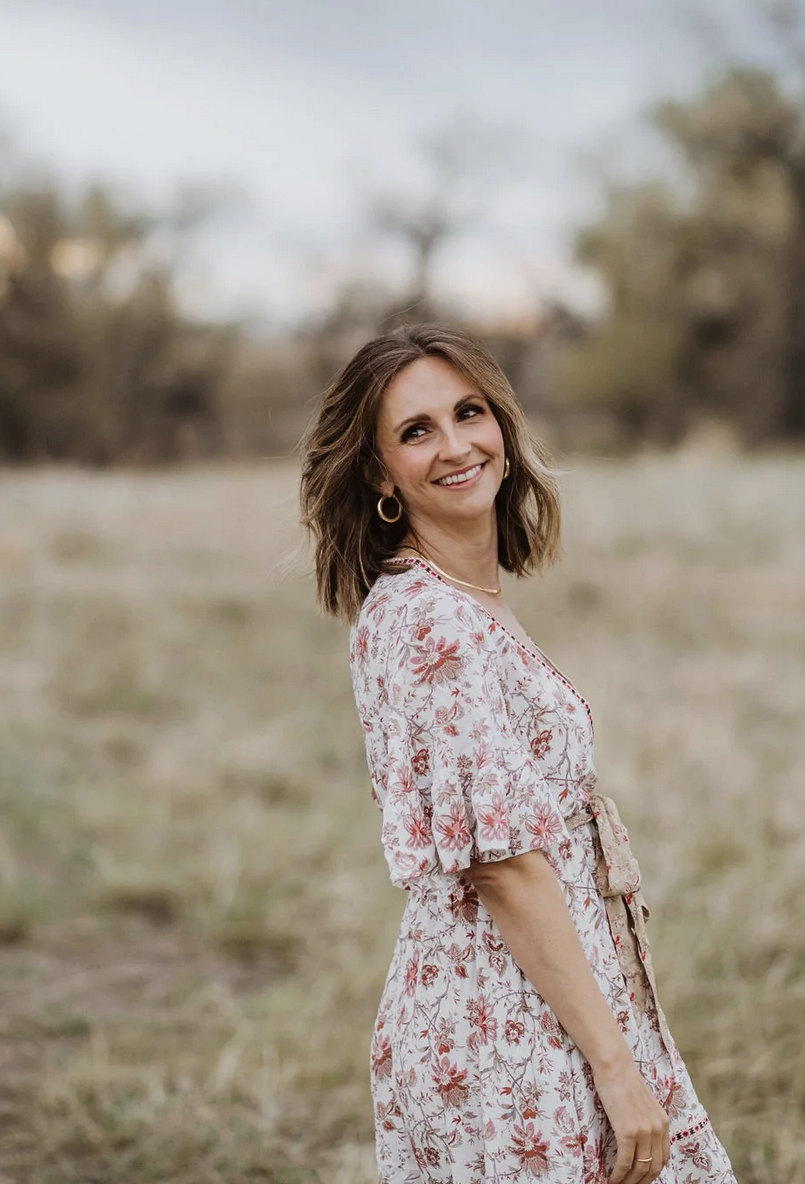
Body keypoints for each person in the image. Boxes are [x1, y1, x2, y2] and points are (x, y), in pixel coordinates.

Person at [299, 324, 736, 1184]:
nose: (457, 444)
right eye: (416, 431)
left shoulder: (450, 602)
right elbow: (502, 866)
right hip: (506, 1034)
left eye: (470, 412)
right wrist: (616, 1067)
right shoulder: (435, 625)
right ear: (382, 473)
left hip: (533, 1004)